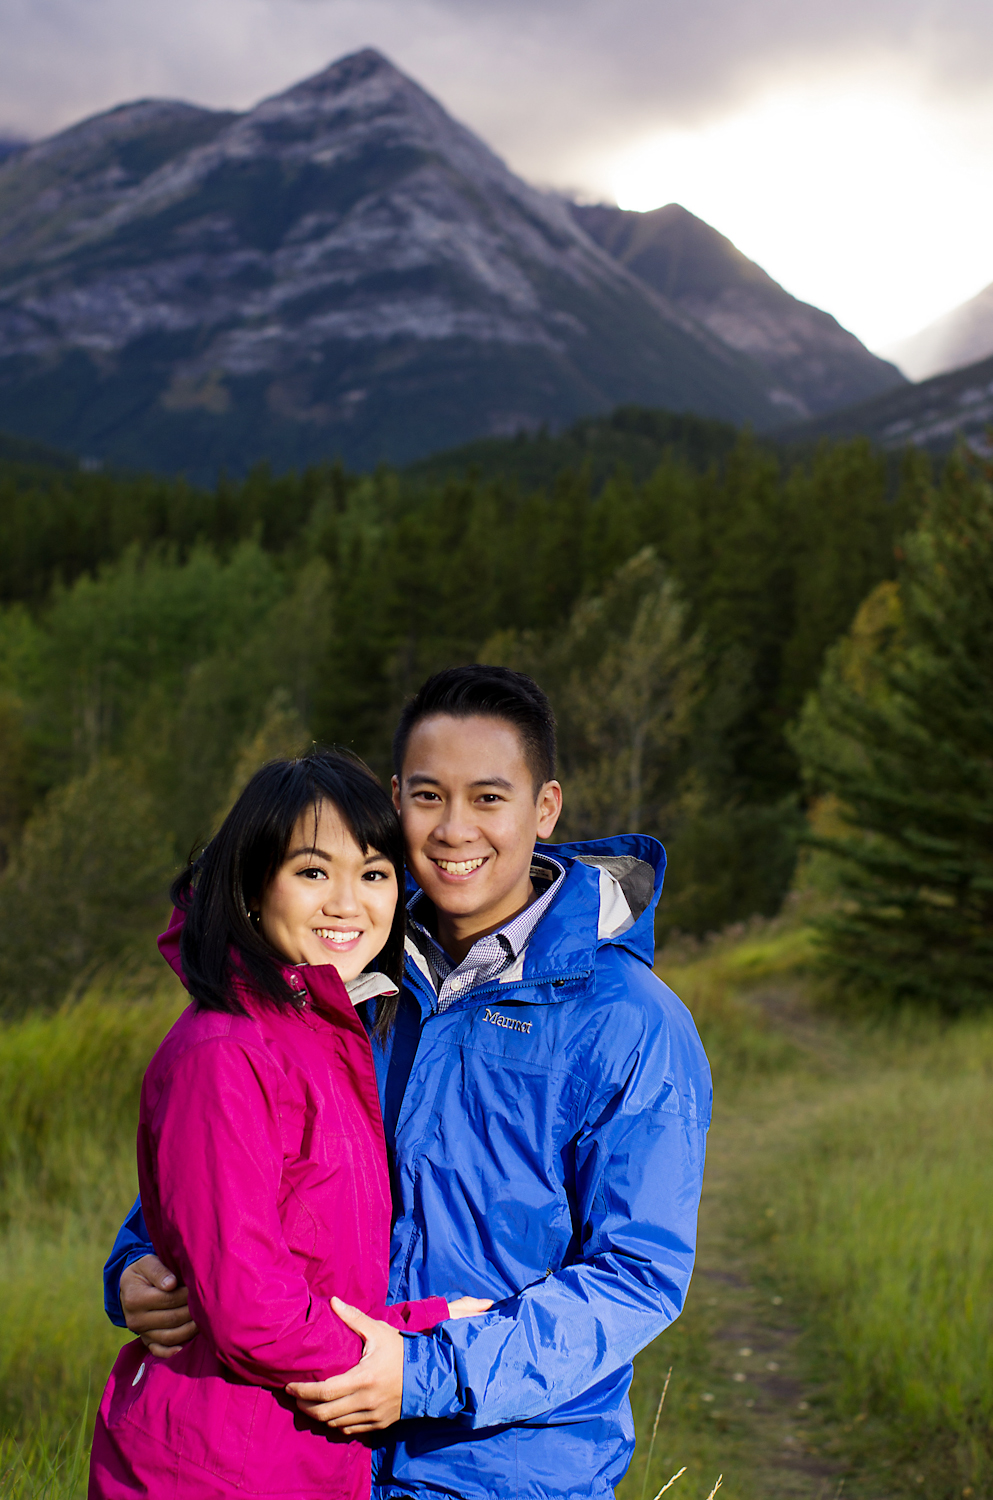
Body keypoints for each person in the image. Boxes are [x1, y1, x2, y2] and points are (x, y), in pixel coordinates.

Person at [105, 667, 712, 1500]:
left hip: (501, 1465)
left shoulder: (630, 1022)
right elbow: (225, 1168)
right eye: (428, 797)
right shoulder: (341, 972)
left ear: (545, 808)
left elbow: (638, 1273)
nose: (455, 829)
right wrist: (138, 1261)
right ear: (396, 801)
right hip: (311, 1450)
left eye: (489, 798)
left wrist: (426, 1373)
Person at [90, 751, 487, 1500]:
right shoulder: (226, 1050)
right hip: (216, 1463)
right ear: (250, 887)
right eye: (312, 872)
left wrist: (421, 1321)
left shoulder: (328, 1034)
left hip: (291, 1446)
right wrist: (408, 1353)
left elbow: (302, 1253)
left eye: (372, 874)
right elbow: (248, 1304)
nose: (347, 903)